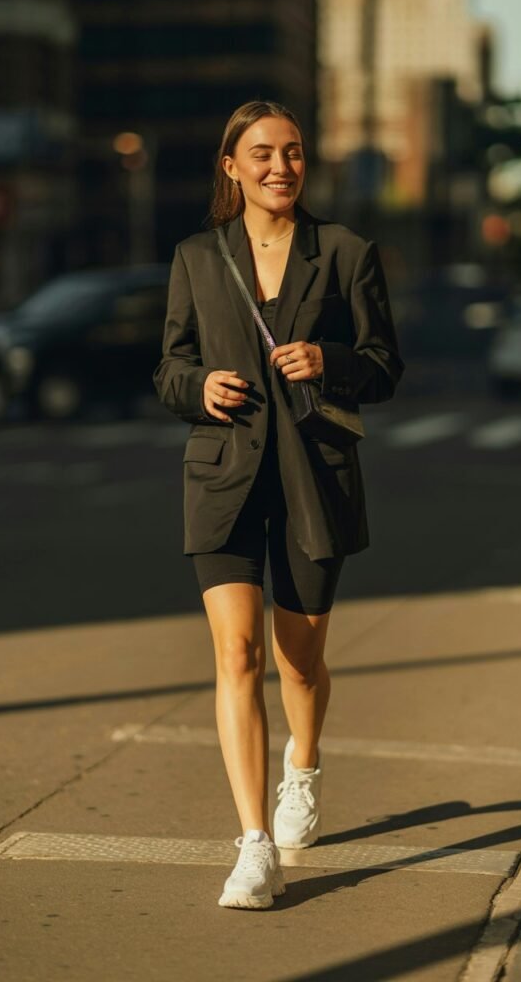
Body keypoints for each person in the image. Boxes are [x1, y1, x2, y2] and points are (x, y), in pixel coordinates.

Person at [153, 99, 405, 910]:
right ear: (231, 167)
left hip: (312, 477)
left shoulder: (345, 252)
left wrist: (326, 359)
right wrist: (200, 386)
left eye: (292, 153)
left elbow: (384, 366)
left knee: (298, 660)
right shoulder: (196, 256)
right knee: (238, 658)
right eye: (262, 154)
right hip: (223, 474)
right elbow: (169, 367)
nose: (280, 167)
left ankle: (305, 765)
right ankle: (254, 845)